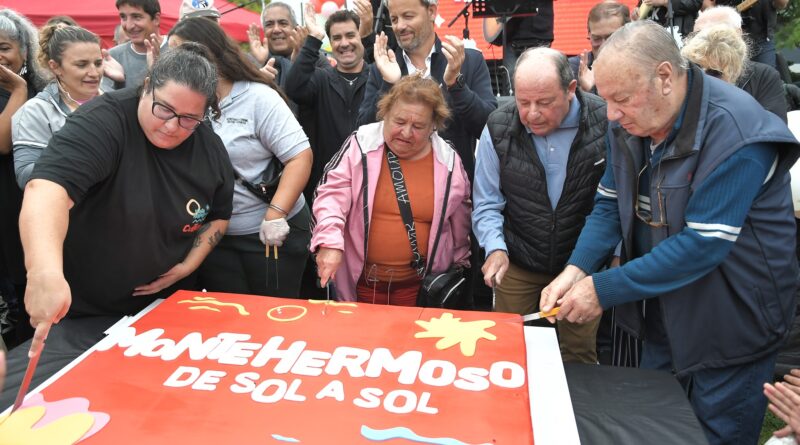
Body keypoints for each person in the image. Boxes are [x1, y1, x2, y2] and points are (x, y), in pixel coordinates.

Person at [541, 21, 799, 445]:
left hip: (732, 321)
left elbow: (702, 246)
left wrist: (600, 290)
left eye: (621, 99)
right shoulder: (627, 122)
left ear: (664, 76)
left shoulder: (737, 131)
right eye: (605, 100)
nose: (611, 115)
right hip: (663, 312)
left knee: (716, 432)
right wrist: (576, 268)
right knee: (653, 426)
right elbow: (609, 203)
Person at [0, 44, 234, 409]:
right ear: (146, 85)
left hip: (163, 318)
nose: (173, 127)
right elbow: (47, 190)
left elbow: (219, 214)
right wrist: (44, 271)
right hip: (84, 313)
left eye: (190, 118)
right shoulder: (104, 122)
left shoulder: (208, 145)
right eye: (164, 109)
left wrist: (189, 264)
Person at [473, 47, 608, 363]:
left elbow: (614, 202)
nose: (532, 113)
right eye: (523, 102)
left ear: (571, 89)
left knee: (578, 355)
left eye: (545, 103)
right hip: (517, 264)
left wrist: (610, 257)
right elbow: (487, 201)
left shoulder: (605, 122)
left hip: (580, 267)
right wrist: (494, 248)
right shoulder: (498, 127)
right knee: (508, 350)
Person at [168, 18, 312, 298]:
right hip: (214, 239)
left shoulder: (257, 98)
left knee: (274, 318)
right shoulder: (183, 103)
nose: (175, 63)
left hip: (270, 235)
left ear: (209, 53)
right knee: (234, 320)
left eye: (181, 54)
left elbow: (299, 156)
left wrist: (275, 215)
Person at [312, 76, 470, 305]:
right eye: (399, 122)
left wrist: (459, 264)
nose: (406, 133)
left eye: (418, 126)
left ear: (433, 126)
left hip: (418, 291)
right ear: (384, 114)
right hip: (361, 287)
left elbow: (460, 222)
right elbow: (331, 195)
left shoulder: (449, 162)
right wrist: (329, 242)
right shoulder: (361, 144)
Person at [357, 0, 496, 180]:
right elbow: (363, 133)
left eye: (408, 16)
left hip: (456, 194)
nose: (400, 26)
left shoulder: (467, 61)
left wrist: (456, 85)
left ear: (431, 12)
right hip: (397, 192)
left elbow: (489, 129)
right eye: (394, 19)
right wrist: (389, 84)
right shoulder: (382, 68)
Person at [285, 6, 368, 204]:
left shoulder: (377, 77)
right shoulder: (320, 79)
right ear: (330, 43)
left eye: (350, 35)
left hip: (369, 185)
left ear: (360, 37)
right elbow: (293, 88)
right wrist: (313, 40)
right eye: (337, 38)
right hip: (326, 189)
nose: (344, 43)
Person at [0, 8, 46, 348]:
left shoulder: (45, 91)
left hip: (33, 204)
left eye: (3, 47)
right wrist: (18, 92)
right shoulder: (22, 91)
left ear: (23, 52)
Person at [13, 25, 104, 188]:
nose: (94, 73)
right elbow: (26, 176)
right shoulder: (36, 111)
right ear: (55, 66)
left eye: (98, 63)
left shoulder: (112, 101)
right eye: (82, 65)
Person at [691, 5, 787, 122]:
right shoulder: (688, 77)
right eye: (696, 36)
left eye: (716, 33)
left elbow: (774, 129)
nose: (705, 42)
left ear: (738, 34)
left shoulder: (764, 76)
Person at [569, 1, 630, 93]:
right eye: (597, 38)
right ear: (589, 35)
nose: (604, 46)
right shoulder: (572, 69)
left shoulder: (641, 69)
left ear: (627, 34)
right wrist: (585, 93)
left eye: (611, 37)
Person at [102, 0, 165, 91]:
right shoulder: (114, 56)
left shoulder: (177, 50)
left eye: (136, 17)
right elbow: (104, 100)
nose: (128, 26)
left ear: (156, 19)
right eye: (123, 17)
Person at [634, 0, 703, 43]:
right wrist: (638, 9)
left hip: (675, 33)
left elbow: (695, 3)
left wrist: (665, 1)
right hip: (648, 33)